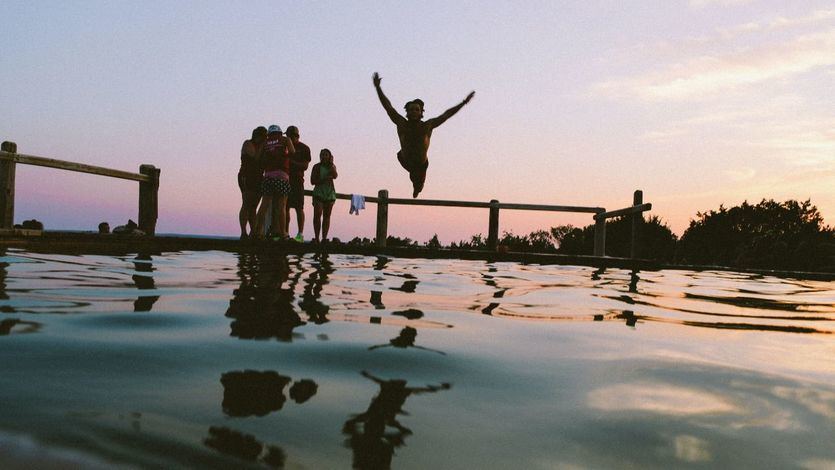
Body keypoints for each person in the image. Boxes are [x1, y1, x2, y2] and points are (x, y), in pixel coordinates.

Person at [372, 72, 475, 198]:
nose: (414, 112)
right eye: (411, 110)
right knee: (412, 174)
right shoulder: (401, 123)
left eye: (417, 109)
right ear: (407, 112)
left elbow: (447, 114)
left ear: (421, 112)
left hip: (421, 165)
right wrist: (378, 88)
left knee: (418, 185)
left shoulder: (427, 126)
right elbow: (388, 107)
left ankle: (416, 188)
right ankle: (415, 183)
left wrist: (464, 102)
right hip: (404, 159)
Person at [253, 125, 295, 240]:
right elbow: (292, 152)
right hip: (282, 176)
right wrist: (282, 155)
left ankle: (257, 232)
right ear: (280, 132)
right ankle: (283, 234)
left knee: (264, 205)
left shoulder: (265, 142)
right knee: (281, 206)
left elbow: (257, 158)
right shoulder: (285, 140)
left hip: (268, 176)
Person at [238, 126, 267, 239]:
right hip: (247, 176)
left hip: (259, 177)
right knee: (246, 203)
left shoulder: (263, 147)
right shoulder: (248, 144)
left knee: (254, 206)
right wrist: (262, 147)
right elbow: (255, 157)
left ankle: (253, 232)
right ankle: (243, 232)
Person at [284, 126, 311, 242]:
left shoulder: (304, 148)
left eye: (289, 136)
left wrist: (290, 162)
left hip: (298, 181)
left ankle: (300, 234)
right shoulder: (284, 146)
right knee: (285, 207)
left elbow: (305, 166)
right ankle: (285, 233)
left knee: (299, 208)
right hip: (285, 180)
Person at [310, 148, 337, 243]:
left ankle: (324, 238)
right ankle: (317, 237)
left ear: (329, 156)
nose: (324, 156)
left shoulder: (332, 166)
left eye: (326, 155)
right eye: (322, 154)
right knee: (317, 215)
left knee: (327, 216)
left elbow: (335, 175)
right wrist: (323, 179)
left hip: (329, 193)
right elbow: (312, 181)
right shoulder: (316, 167)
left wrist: (331, 164)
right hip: (319, 193)